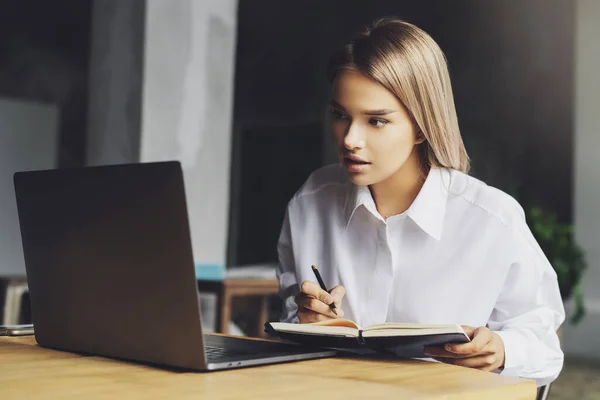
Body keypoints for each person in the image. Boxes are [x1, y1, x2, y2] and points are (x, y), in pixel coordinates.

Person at [275, 18, 564, 387]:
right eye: (340, 115)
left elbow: (545, 346)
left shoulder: (493, 219)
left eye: (376, 121)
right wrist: (308, 322)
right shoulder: (309, 203)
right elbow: (287, 317)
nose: (350, 139)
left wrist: (503, 350)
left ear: (422, 126)